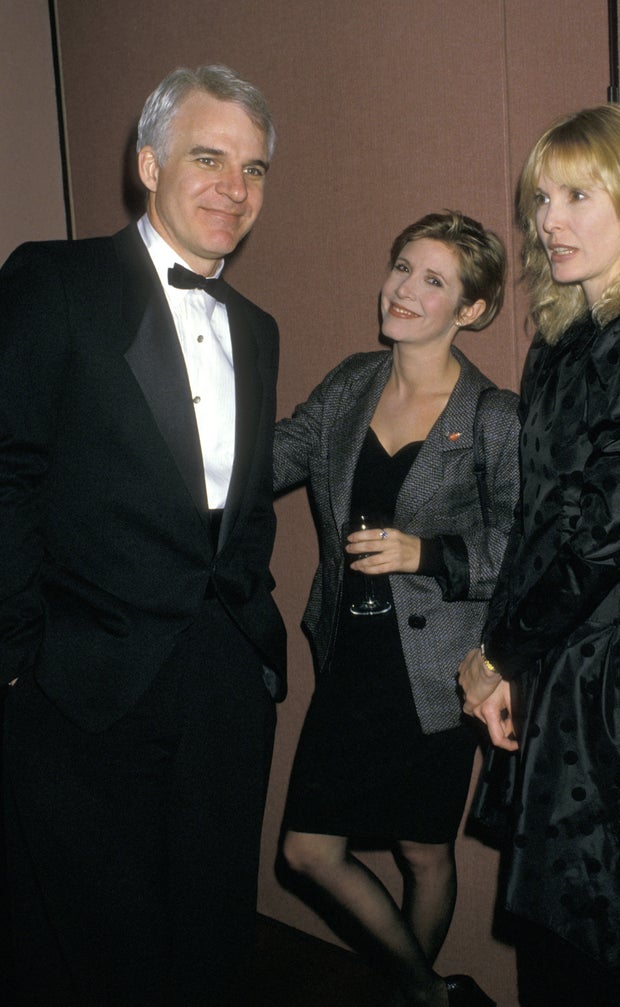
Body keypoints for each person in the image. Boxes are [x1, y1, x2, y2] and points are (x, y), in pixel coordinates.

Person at [0, 65, 286, 1005]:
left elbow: (238, 513)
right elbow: (7, 475)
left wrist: (256, 651)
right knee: (100, 948)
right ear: (149, 160)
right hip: (86, 684)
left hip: (221, 683)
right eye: (210, 157)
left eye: (252, 167)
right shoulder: (55, 280)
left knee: (212, 936)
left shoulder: (259, 327)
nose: (233, 187)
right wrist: (19, 666)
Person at [460, 105, 620, 1007]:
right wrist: (504, 666)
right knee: (562, 956)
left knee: (619, 956)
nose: (549, 220)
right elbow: (538, 522)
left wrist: (502, 653)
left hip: (619, 679)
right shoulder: (562, 343)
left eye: (578, 194)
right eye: (541, 198)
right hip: (562, 666)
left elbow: (603, 535)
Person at [274, 211, 519, 1007]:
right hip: (352, 658)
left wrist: (425, 552)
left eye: (433, 280)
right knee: (308, 850)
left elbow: (522, 549)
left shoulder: (492, 416)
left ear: (471, 310)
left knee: (423, 850)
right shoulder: (351, 382)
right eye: (401, 266)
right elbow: (275, 454)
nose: (404, 289)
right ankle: (428, 989)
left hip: (436, 675)